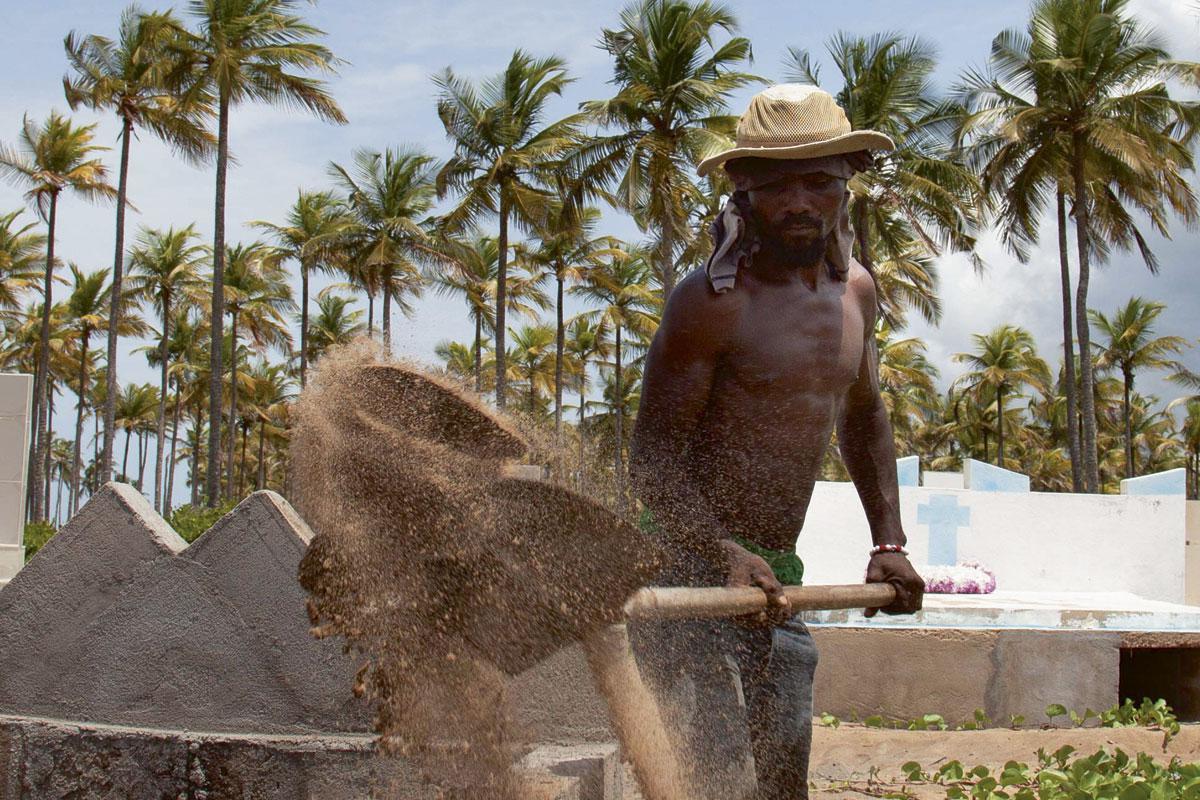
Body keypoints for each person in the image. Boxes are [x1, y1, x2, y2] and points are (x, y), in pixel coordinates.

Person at [628, 83, 926, 800]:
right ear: (743, 189)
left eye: (819, 182)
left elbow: (862, 414)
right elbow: (653, 463)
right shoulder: (710, 302)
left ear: (847, 183)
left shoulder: (856, 291)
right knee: (712, 782)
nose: (799, 202)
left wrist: (889, 544)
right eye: (777, 185)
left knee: (780, 781)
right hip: (684, 580)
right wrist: (719, 551)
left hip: (777, 584)